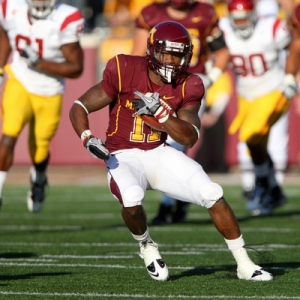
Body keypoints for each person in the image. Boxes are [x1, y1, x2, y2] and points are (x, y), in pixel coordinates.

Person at [69, 20, 272, 282]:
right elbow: (79, 106)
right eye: (166, 54)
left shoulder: (190, 84)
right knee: (131, 198)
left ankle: (244, 264)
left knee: (212, 192)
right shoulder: (125, 68)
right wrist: (87, 138)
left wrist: (163, 115)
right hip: (123, 155)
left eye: (178, 55)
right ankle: (146, 245)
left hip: (159, 152)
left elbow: (189, 137)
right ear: (152, 51)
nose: (172, 61)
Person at [131, 0, 230, 225]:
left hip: (188, 86)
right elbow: (138, 55)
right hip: (157, 86)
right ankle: (178, 199)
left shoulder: (205, 13)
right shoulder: (150, 13)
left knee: (177, 143)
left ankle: (168, 205)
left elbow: (222, 53)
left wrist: (209, 79)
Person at [0, 0, 84, 212]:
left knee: (40, 148)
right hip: (19, 80)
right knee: (9, 134)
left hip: (50, 90)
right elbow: (4, 30)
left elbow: (76, 68)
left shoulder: (66, 18)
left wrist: (41, 63)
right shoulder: (10, 8)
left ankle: (38, 177)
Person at [221, 0, 296, 216]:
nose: (242, 24)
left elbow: (294, 48)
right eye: (237, 20)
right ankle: (274, 190)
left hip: (274, 90)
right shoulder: (223, 30)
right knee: (257, 144)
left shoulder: (271, 28)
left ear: (255, 16)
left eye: (245, 18)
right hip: (246, 95)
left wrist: (292, 77)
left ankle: (262, 184)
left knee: (251, 136)